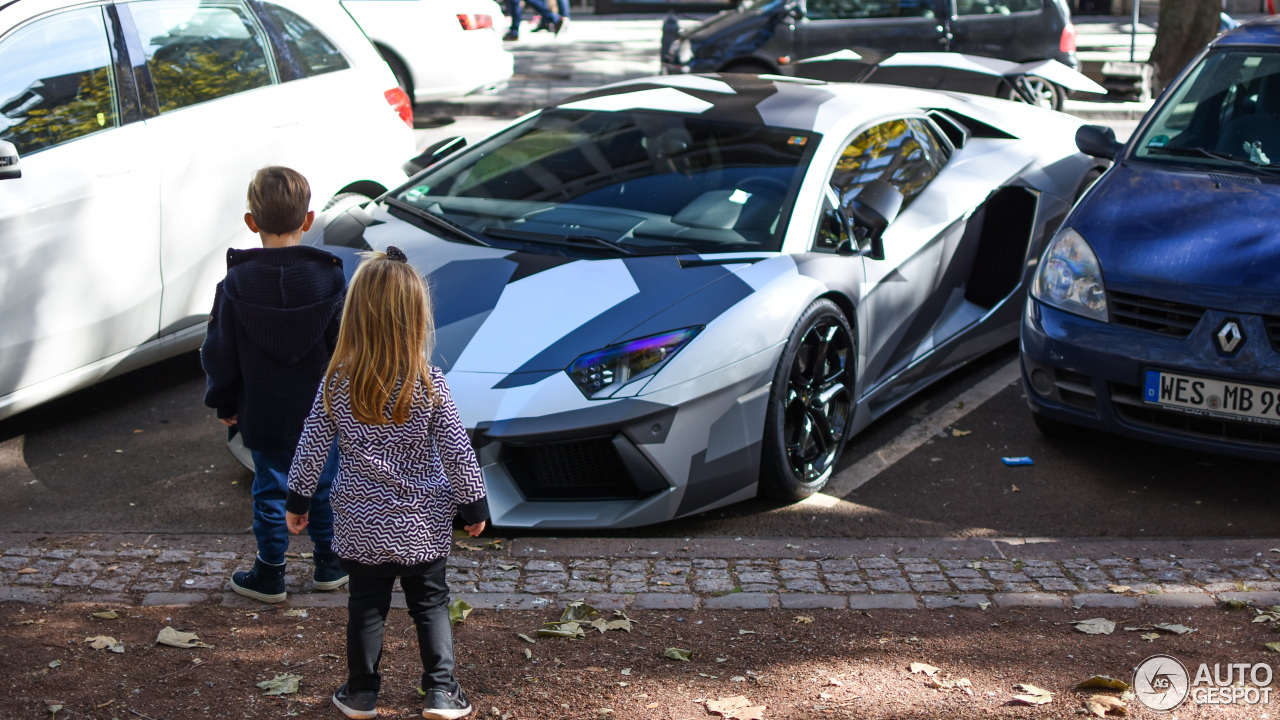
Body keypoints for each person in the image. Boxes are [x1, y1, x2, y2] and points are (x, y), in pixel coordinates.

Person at [284, 247, 489, 720]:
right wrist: (473, 505)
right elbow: (458, 450)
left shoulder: (337, 383)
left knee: (366, 606)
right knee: (431, 604)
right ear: (417, 318)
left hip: (361, 522)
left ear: (355, 316)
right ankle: (441, 691)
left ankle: (361, 693)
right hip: (422, 522)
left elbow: (311, 447)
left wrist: (298, 500)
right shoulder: (429, 383)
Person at [202, 166, 348, 604]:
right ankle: (330, 564)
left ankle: (270, 573)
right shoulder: (330, 278)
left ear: (252, 222)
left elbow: (219, 352)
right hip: (319, 409)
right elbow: (343, 349)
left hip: (262, 408)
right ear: (308, 220)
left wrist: (223, 401)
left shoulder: (235, 285)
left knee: (270, 486)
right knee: (323, 483)